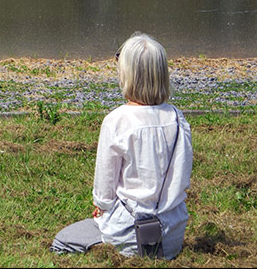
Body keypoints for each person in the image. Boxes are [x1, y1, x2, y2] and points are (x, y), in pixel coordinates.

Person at [52, 32, 193, 258]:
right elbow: (183, 178)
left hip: (128, 233)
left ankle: (113, 249)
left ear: (127, 73)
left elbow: (104, 193)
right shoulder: (178, 119)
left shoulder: (117, 121)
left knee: (62, 240)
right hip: (171, 236)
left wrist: (102, 209)